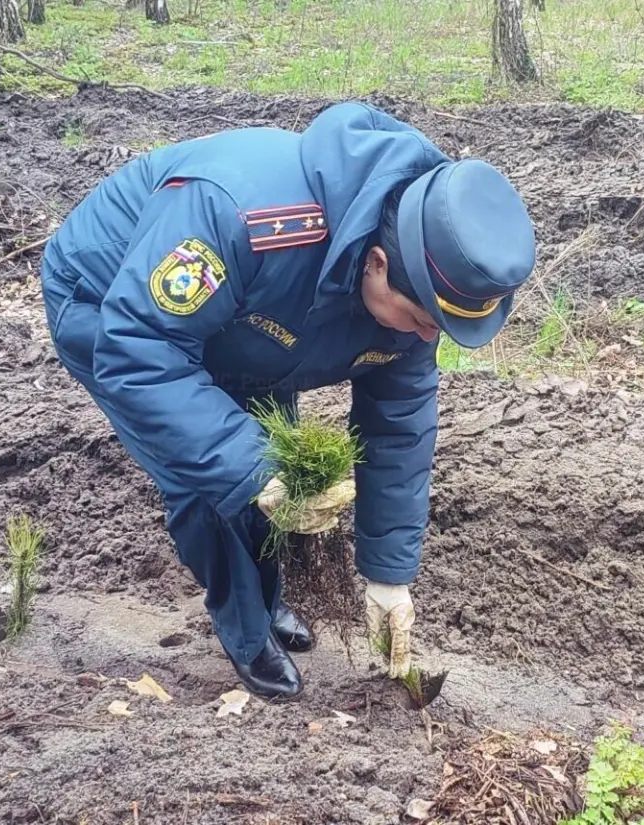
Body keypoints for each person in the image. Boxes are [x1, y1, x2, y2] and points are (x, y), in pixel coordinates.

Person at [38, 102, 537, 700]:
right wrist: (253, 470)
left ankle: (268, 601)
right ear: (377, 264)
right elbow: (140, 351)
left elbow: (398, 428)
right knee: (211, 478)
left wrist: (389, 577)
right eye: (420, 319)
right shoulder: (244, 216)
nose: (427, 337)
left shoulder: (420, 277)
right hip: (113, 306)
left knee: (274, 459)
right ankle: (245, 632)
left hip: (253, 320)